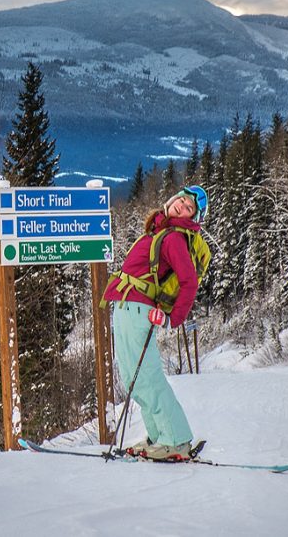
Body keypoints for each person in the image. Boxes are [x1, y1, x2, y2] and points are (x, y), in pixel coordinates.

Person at [102, 185, 209, 461]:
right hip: (126, 305)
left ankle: (176, 439)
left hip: (139, 309)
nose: (182, 207)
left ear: (192, 218)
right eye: (181, 201)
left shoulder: (174, 238)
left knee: (147, 377)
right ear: (173, 199)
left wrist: (174, 318)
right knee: (132, 378)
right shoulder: (159, 232)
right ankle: (158, 436)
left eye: (189, 208)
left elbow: (189, 282)